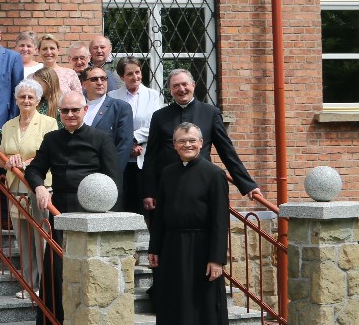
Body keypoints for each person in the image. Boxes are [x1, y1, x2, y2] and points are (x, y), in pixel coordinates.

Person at [24, 91, 121, 325]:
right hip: (61, 210)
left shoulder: (101, 139)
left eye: (75, 110)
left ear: (85, 111)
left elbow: (114, 180)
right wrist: (39, 188)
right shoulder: (51, 139)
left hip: (92, 211)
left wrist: (112, 219)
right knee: (57, 265)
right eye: (65, 111)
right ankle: (55, 322)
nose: (69, 115)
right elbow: (34, 169)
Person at [148, 122, 233, 325]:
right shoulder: (168, 173)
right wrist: (155, 247)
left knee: (200, 307)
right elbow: (160, 215)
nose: (187, 145)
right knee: (173, 305)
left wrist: (217, 258)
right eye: (182, 141)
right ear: (174, 145)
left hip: (201, 249)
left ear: (201, 143)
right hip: (172, 247)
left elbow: (221, 220)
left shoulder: (214, 175)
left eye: (192, 140)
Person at [142, 69, 262, 212]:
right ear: (170, 89)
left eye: (184, 84)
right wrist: (149, 191)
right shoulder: (159, 116)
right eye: (176, 86)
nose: (181, 89)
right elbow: (151, 156)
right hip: (168, 185)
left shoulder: (210, 113)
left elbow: (227, 151)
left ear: (193, 85)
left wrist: (247, 184)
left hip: (201, 182)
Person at [0, 79, 59, 296]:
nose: (26, 100)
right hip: (15, 186)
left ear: (38, 100)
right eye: (22, 97)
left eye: (30, 97)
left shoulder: (48, 123)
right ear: (16, 100)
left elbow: (50, 153)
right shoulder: (8, 126)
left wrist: (24, 163)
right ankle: (28, 285)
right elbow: (2, 156)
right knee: (23, 239)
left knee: (41, 237)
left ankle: (44, 287)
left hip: (39, 185)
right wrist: (7, 162)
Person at [107, 57, 165, 214]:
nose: (135, 77)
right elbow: (111, 126)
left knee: (143, 209)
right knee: (121, 206)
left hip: (144, 157)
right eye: (130, 74)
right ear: (121, 77)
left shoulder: (152, 95)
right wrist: (127, 145)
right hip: (120, 158)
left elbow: (155, 124)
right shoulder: (112, 96)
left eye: (138, 72)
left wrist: (132, 139)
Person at [80, 66, 134, 170]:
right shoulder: (77, 108)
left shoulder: (120, 108)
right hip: (78, 171)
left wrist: (113, 173)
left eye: (103, 79)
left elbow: (124, 146)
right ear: (84, 84)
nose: (100, 82)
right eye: (94, 79)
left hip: (106, 173)